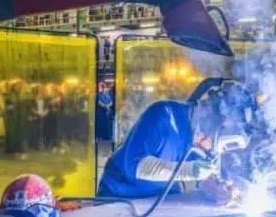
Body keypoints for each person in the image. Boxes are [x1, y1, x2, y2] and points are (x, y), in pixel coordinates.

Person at [98, 78, 262, 200]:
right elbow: (135, 166)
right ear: (210, 120)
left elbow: (208, 179)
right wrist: (189, 170)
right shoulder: (163, 114)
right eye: (211, 140)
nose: (208, 148)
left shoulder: (206, 142)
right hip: (120, 193)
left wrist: (216, 189)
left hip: (162, 197)